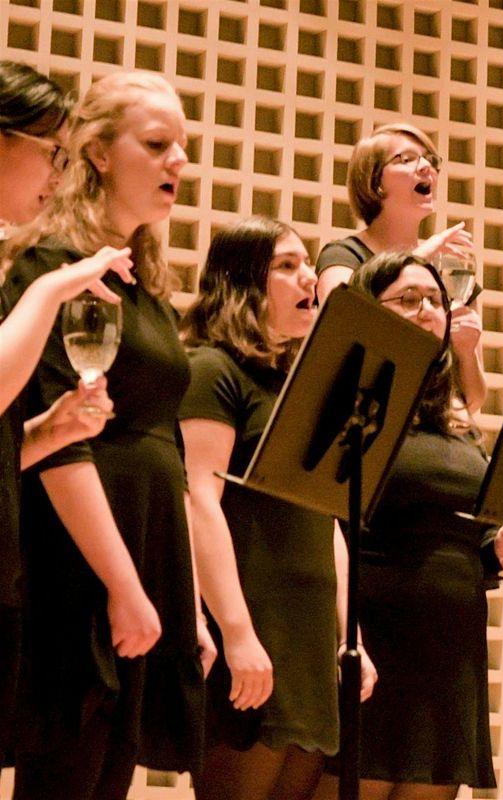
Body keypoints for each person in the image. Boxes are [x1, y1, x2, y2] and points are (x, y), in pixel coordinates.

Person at [3, 70, 213, 799]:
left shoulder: (142, 282)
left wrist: (178, 596)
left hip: (143, 554)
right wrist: (124, 586)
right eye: (157, 144)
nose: (178, 162)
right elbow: (66, 442)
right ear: (95, 154)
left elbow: (169, 449)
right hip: (78, 561)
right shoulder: (54, 268)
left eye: (183, 147)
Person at [315, 250, 503, 800]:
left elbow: (459, 533)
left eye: (434, 300)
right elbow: (325, 523)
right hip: (373, 635)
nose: (425, 311)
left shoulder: (456, 413)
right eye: (407, 299)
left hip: (449, 648)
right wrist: (347, 634)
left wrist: (498, 548)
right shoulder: (346, 401)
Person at [179, 217, 376, 800]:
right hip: (255, 625)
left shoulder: (299, 382)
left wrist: (351, 636)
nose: (308, 276)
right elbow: (199, 501)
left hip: (311, 637)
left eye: (307, 263)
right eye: (286, 266)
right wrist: (238, 634)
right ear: (242, 283)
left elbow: (326, 523)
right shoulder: (213, 370)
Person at [0, 60, 134, 752]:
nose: (60, 174)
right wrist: (53, 288)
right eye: (51, 152)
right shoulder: (28, 275)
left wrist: (49, 433)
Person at [314, 121, 485, 415]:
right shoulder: (342, 256)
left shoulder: (451, 269)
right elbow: (342, 326)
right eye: (406, 159)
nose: (426, 168)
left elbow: (473, 400)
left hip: (436, 425)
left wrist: (467, 353)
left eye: (430, 160)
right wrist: (417, 260)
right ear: (374, 181)